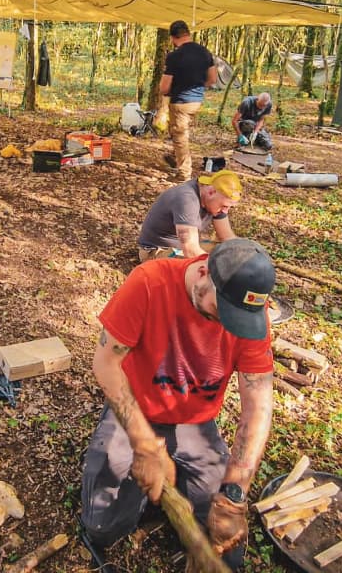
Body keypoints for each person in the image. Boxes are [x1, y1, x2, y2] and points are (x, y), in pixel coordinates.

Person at [80, 238, 277, 570]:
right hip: (136, 409)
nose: (229, 326)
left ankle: (169, 483)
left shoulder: (249, 318)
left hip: (195, 422)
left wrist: (233, 497)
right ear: (203, 271)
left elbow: (258, 407)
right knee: (102, 527)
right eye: (222, 311)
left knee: (229, 552)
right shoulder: (149, 282)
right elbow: (105, 363)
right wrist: (144, 445)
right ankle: (146, 488)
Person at [137, 169, 240, 263]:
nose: (225, 211)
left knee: (226, 250)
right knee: (208, 270)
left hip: (181, 248)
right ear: (211, 192)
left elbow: (227, 237)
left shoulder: (215, 202)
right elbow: (190, 250)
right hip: (156, 253)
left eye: (229, 207)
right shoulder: (186, 200)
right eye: (224, 206)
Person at [160, 20, 217, 179]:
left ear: (173, 37)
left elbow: (164, 88)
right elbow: (212, 79)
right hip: (196, 101)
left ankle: (184, 173)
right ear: (188, 33)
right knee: (178, 130)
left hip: (180, 102)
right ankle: (175, 157)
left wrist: (177, 88)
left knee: (180, 137)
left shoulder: (174, 56)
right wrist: (197, 86)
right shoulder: (205, 52)